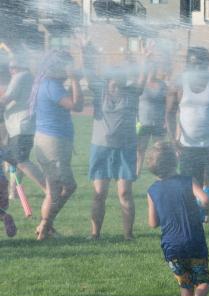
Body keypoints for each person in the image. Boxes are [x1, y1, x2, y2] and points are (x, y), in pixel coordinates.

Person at [166, 46, 209, 241]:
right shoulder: (178, 85)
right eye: (192, 64)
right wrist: (173, 140)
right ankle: (193, 232)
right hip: (188, 147)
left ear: (207, 65)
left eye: (200, 65)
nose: (196, 68)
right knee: (189, 192)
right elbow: (170, 113)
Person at [145, 141, 209, 296]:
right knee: (203, 282)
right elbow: (205, 199)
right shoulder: (187, 180)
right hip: (194, 242)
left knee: (185, 285)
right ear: (175, 161)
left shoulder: (152, 191)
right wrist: (206, 209)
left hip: (171, 247)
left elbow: (152, 223)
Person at [85, 49, 146, 240]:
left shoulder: (132, 93)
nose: (115, 86)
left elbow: (142, 79)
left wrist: (144, 60)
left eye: (119, 82)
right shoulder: (99, 91)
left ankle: (128, 235)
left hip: (125, 149)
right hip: (101, 148)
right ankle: (95, 234)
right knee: (99, 193)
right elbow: (88, 75)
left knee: (125, 193)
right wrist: (84, 51)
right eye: (112, 82)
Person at [31, 50, 83, 240]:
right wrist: (75, 80)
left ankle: (45, 229)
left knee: (53, 190)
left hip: (48, 140)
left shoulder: (46, 83)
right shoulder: (53, 86)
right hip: (54, 143)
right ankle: (44, 225)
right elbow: (77, 105)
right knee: (67, 186)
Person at [1, 53, 45, 190]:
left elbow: (6, 99)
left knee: (20, 160)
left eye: (13, 67)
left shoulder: (20, 76)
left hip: (21, 125)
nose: (10, 70)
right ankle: (14, 189)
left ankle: (49, 188)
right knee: (14, 158)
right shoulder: (30, 77)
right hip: (24, 126)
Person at [136, 45, 169, 177]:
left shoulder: (162, 85)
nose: (152, 72)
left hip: (158, 122)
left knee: (159, 151)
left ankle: (158, 174)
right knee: (140, 149)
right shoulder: (141, 84)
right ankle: (136, 173)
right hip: (143, 123)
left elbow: (168, 104)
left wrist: (166, 120)